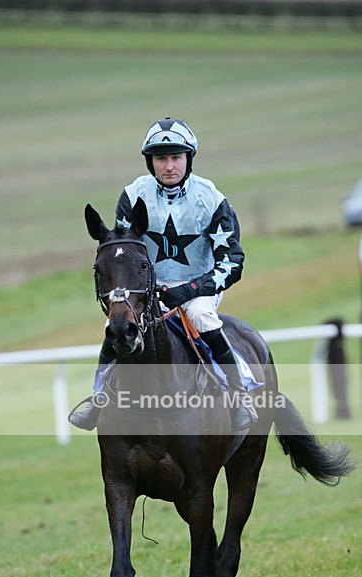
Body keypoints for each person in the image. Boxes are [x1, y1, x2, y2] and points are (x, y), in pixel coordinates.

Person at [69, 117, 258, 432]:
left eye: (176, 157)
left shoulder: (210, 198)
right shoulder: (133, 195)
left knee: (199, 316)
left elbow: (233, 261)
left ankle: (239, 396)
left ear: (188, 159)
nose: (169, 166)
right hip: (148, 289)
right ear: (150, 162)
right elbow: (126, 253)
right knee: (116, 324)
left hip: (199, 288)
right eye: (161, 158)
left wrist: (190, 290)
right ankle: (98, 398)